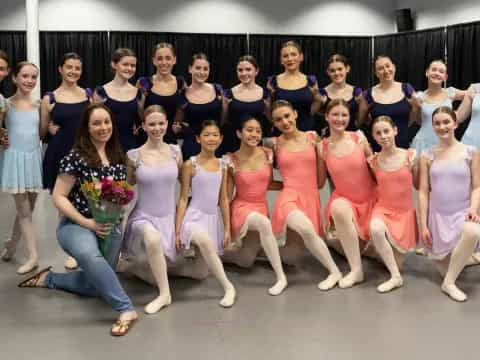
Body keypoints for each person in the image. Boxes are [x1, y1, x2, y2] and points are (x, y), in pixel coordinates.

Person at [18, 103, 138, 336]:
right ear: (87, 127)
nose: (103, 127)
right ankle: (126, 309)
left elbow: (120, 192)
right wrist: (89, 224)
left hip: (109, 226)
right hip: (76, 225)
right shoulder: (76, 157)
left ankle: (50, 278)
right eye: (96, 123)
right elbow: (59, 197)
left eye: (106, 122)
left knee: (98, 284)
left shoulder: (117, 155)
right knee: (92, 259)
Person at [267, 100, 342, 290]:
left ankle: (258, 250)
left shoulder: (312, 137)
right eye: (278, 119)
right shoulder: (274, 145)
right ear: (274, 123)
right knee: (307, 229)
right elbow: (266, 180)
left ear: (295, 114)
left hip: (310, 197)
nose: (284, 122)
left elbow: (320, 181)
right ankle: (335, 272)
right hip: (288, 198)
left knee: (292, 255)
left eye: (286, 116)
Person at [122, 105, 180, 314]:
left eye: (161, 123)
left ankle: (133, 269)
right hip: (143, 216)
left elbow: (186, 184)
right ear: (144, 127)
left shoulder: (176, 151)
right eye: (152, 124)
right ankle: (165, 294)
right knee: (152, 239)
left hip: (169, 217)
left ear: (167, 124)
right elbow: (126, 188)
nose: (157, 128)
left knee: (198, 272)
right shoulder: (133, 155)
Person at [418, 106, 480, 302]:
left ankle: (449, 284)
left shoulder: (470, 152)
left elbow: (477, 187)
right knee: (447, 267)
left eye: (446, 122)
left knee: (473, 231)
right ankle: (463, 260)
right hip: (438, 219)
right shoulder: (427, 155)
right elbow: (422, 192)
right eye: (437, 123)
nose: (442, 126)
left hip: (461, 214)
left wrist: (472, 209)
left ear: (455, 123)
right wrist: (423, 226)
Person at [222, 116, 287, 296]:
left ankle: (217, 254)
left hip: (260, 206)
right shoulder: (230, 160)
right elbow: (227, 198)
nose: (254, 134)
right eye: (249, 130)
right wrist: (227, 229)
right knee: (264, 224)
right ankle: (281, 277)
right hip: (241, 208)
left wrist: (291, 186)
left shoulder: (267, 153)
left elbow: (268, 183)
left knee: (245, 260)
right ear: (239, 133)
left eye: (258, 131)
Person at [175, 120, 236, 307]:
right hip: (193, 217)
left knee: (200, 273)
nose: (211, 139)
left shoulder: (223, 165)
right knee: (204, 241)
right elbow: (184, 198)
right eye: (206, 135)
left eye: (215, 135)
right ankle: (228, 287)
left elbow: (224, 199)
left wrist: (226, 229)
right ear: (198, 139)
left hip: (211, 219)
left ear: (221, 138)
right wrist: (177, 231)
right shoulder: (190, 164)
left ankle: (164, 270)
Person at [41, 53, 92, 270]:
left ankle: (88, 245)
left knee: (87, 201)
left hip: (84, 154)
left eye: (77, 68)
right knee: (64, 205)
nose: (73, 71)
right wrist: (50, 127)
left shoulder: (88, 95)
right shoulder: (49, 98)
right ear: (60, 69)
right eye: (69, 67)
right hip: (59, 153)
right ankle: (73, 250)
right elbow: (42, 132)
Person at [319, 99, 376, 289]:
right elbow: (320, 181)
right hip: (347, 202)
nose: (340, 119)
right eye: (335, 114)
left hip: (370, 201)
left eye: (344, 115)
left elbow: (375, 169)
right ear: (327, 117)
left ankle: (357, 243)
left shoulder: (358, 138)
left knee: (393, 260)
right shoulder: (322, 147)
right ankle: (356, 270)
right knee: (338, 207)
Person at [0, 61, 46, 274]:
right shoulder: (6, 105)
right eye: (25, 76)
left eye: (33, 77)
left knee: (28, 210)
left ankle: (11, 245)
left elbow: (42, 133)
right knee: (24, 211)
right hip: (14, 159)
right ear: (15, 78)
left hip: (33, 159)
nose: (29, 80)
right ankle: (33, 256)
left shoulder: (39, 105)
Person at [368, 116, 419, 293]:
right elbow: (375, 185)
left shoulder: (409, 156)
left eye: (386, 131)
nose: (383, 136)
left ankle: (374, 250)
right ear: (374, 137)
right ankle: (396, 278)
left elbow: (420, 185)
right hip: (383, 209)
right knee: (375, 228)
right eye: (378, 133)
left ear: (395, 131)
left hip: (403, 213)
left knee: (394, 262)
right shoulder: (373, 161)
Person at [361, 55, 419, 150]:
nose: (386, 70)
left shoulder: (407, 89)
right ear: (376, 73)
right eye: (380, 68)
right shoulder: (368, 94)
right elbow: (363, 121)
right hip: (379, 148)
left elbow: (414, 118)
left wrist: (415, 108)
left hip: (403, 146)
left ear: (394, 67)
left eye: (388, 66)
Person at [411, 60, 466, 155]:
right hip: (423, 143)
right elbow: (417, 121)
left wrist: (457, 114)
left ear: (445, 77)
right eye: (434, 70)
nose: (437, 73)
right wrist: (415, 107)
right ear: (427, 72)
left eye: (441, 71)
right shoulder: (419, 96)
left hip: (446, 143)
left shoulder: (451, 93)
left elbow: (472, 93)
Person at [175, 53, 223, 159]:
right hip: (192, 145)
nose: (201, 72)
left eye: (205, 69)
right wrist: (178, 128)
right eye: (198, 68)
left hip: (214, 144)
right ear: (190, 69)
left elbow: (224, 118)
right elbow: (177, 123)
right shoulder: (183, 93)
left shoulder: (218, 90)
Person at [95, 48, 142, 152]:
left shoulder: (137, 92)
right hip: (107, 146)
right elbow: (92, 121)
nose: (129, 68)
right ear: (114, 64)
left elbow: (142, 119)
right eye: (125, 64)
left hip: (131, 145)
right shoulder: (101, 92)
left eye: (133, 65)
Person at [137, 42, 185, 144]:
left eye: (168, 58)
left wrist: (178, 125)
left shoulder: (180, 82)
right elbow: (137, 109)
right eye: (160, 58)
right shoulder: (144, 82)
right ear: (154, 61)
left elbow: (181, 109)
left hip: (170, 137)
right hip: (147, 137)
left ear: (174, 60)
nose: (164, 62)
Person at [267, 41, 321, 132]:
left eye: (293, 54)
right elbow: (268, 111)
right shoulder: (272, 82)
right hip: (281, 133)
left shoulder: (311, 81)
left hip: (306, 132)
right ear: (281, 60)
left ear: (301, 57)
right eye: (285, 56)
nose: (289, 59)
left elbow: (311, 111)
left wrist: (317, 99)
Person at [221, 55, 270, 153]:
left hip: (254, 141)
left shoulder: (265, 94)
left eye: (248, 69)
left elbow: (270, 119)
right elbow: (223, 121)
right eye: (240, 70)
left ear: (256, 71)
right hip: (232, 142)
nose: (244, 73)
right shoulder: (228, 94)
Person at [319, 54, 366, 133]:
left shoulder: (357, 93)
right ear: (328, 72)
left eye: (340, 69)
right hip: (330, 137)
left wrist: (362, 103)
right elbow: (314, 116)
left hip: (352, 137)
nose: (336, 73)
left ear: (347, 69)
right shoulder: (322, 93)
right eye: (332, 70)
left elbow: (361, 121)